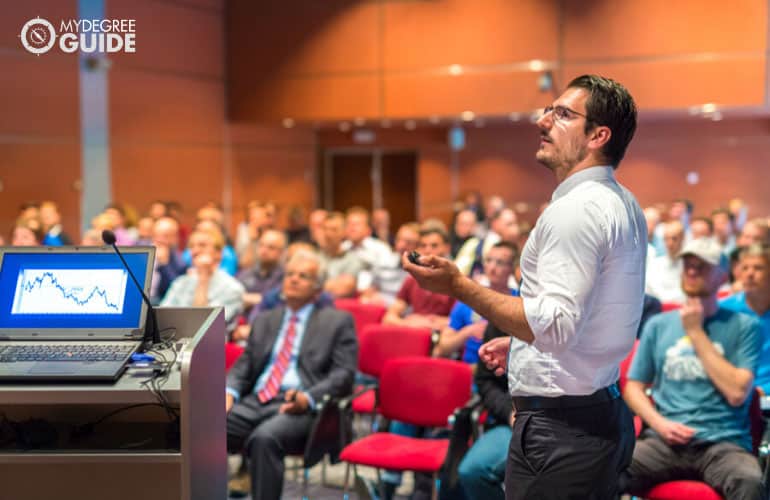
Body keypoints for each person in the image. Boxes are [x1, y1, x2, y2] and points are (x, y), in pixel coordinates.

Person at [402, 74, 644, 499]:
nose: (543, 121)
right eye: (550, 110)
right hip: (598, 411)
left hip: (562, 431)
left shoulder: (577, 210)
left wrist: (457, 284)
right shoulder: (620, 200)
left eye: (563, 114)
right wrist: (521, 347)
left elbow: (553, 326)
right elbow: (591, 317)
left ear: (598, 135)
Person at [620, 238, 764, 499]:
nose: (692, 271)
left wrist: (696, 332)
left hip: (723, 443)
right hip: (663, 441)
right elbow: (633, 387)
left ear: (723, 276)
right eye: (688, 265)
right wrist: (659, 423)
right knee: (607, 469)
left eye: (702, 266)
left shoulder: (745, 326)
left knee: (750, 483)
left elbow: (737, 392)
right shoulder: (658, 325)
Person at [225, 250, 357, 500]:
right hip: (257, 401)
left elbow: (344, 374)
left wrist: (308, 398)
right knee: (200, 427)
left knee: (264, 438)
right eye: (290, 275)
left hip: (301, 407)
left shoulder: (337, 322)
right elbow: (244, 366)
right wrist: (228, 392)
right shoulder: (266, 319)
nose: (294, 280)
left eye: (303, 276)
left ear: (318, 289)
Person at [720, 243, 770, 394]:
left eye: (758, 268)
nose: (750, 274)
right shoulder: (723, 310)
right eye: (745, 268)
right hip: (731, 392)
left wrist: (765, 391)